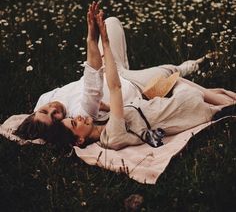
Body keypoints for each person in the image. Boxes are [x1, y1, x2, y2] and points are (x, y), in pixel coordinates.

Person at [47, 8, 236, 150]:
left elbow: (127, 115)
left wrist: (106, 107)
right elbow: (115, 88)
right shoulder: (111, 136)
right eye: (74, 123)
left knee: (180, 85)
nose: (78, 117)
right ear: (79, 140)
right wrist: (104, 42)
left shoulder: (104, 130)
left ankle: (220, 99)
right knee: (175, 81)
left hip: (178, 107)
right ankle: (222, 100)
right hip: (182, 104)